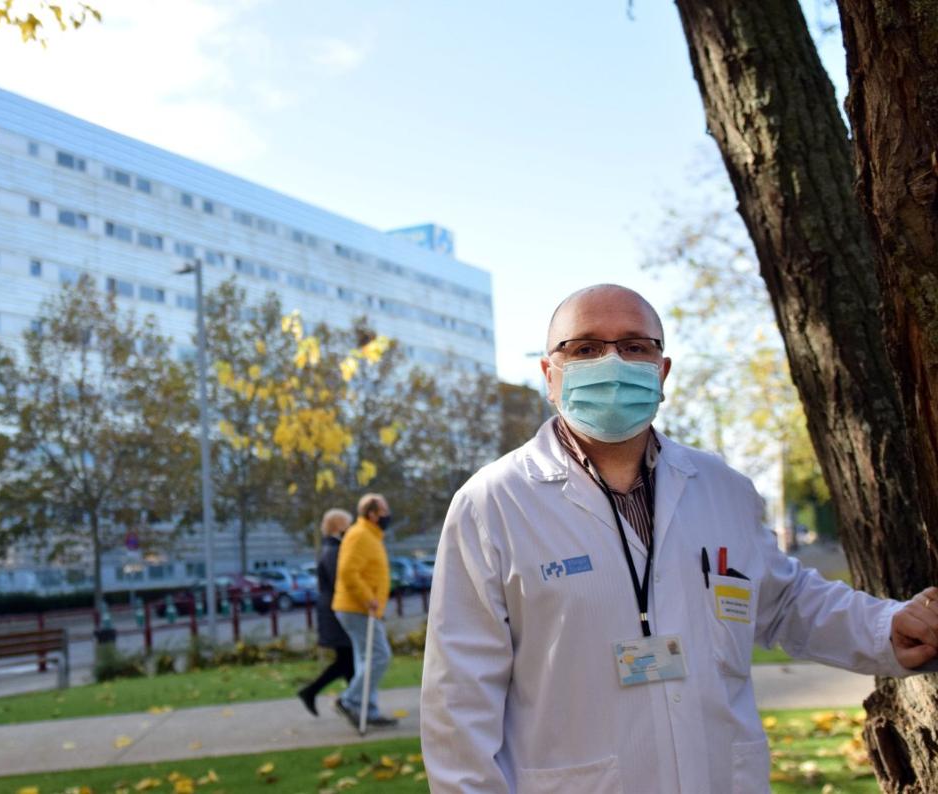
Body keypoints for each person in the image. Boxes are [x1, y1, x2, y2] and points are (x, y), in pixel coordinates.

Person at [420, 284, 938, 794]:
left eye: (634, 346)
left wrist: (886, 626)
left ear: (661, 371)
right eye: (585, 348)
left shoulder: (722, 489)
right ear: (549, 374)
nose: (612, 363)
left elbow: (786, 602)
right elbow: (458, 698)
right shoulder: (492, 504)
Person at [332, 493, 398, 729]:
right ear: (372, 514)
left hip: (362, 608)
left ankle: (367, 710)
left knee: (366, 659)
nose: (388, 515)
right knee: (380, 656)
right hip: (358, 608)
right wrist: (369, 599)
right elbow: (348, 572)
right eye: (384, 511)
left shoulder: (370, 535)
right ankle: (350, 700)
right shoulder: (360, 535)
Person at [296, 508, 355, 716]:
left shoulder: (330, 549)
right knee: (347, 660)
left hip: (332, 612)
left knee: (348, 662)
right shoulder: (335, 551)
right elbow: (341, 582)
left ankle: (353, 703)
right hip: (336, 613)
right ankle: (317, 693)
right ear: (340, 527)